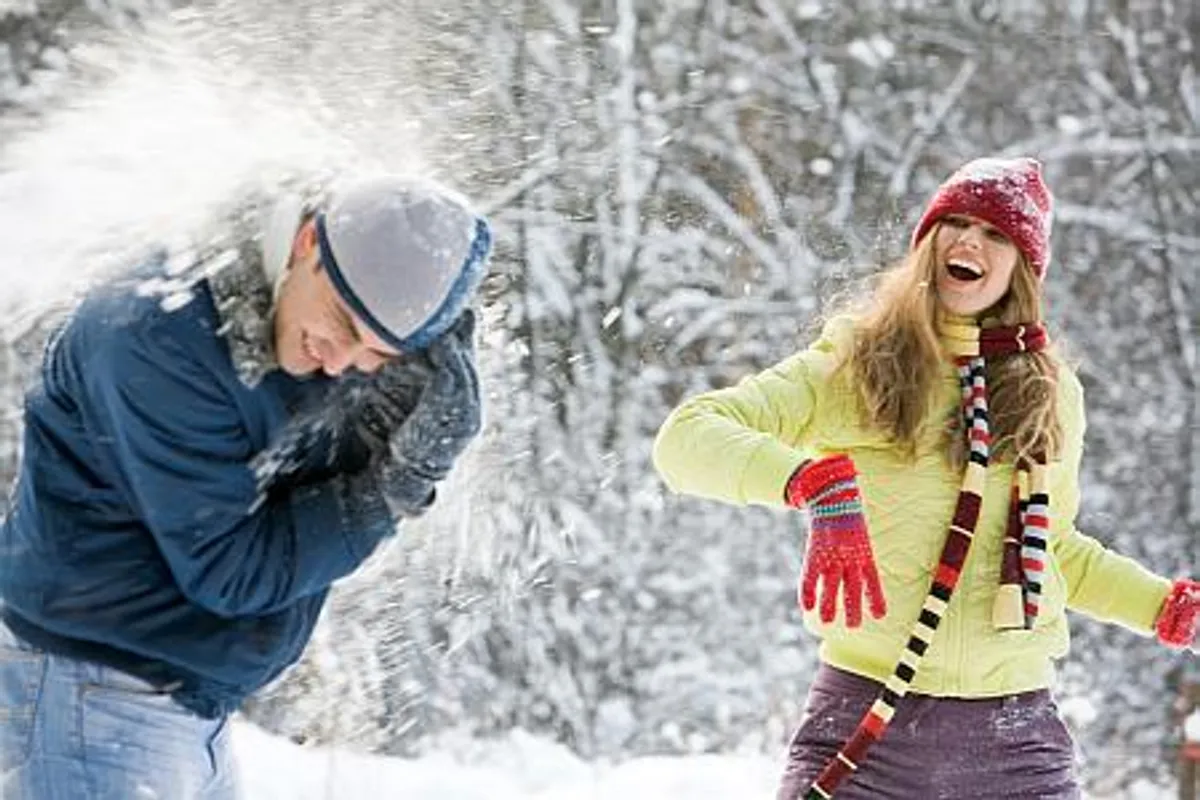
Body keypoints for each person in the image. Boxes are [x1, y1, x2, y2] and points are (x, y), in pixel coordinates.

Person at [652, 157, 1199, 799]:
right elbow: (685, 438)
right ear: (928, 243)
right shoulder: (859, 364)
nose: (969, 242)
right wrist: (812, 484)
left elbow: (1050, 551)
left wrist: (1161, 606)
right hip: (867, 730)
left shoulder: (1051, 395)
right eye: (956, 223)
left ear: (1024, 266)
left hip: (1016, 741)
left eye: (996, 234)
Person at [0, 174, 493, 799]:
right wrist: (393, 485)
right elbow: (231, 570)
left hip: (173, 711)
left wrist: (381, 424)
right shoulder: (160, 335)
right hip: (89, 703)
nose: (339, 361)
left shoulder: (291, 322)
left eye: (373, 353)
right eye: (342, 322)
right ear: (308, 241)